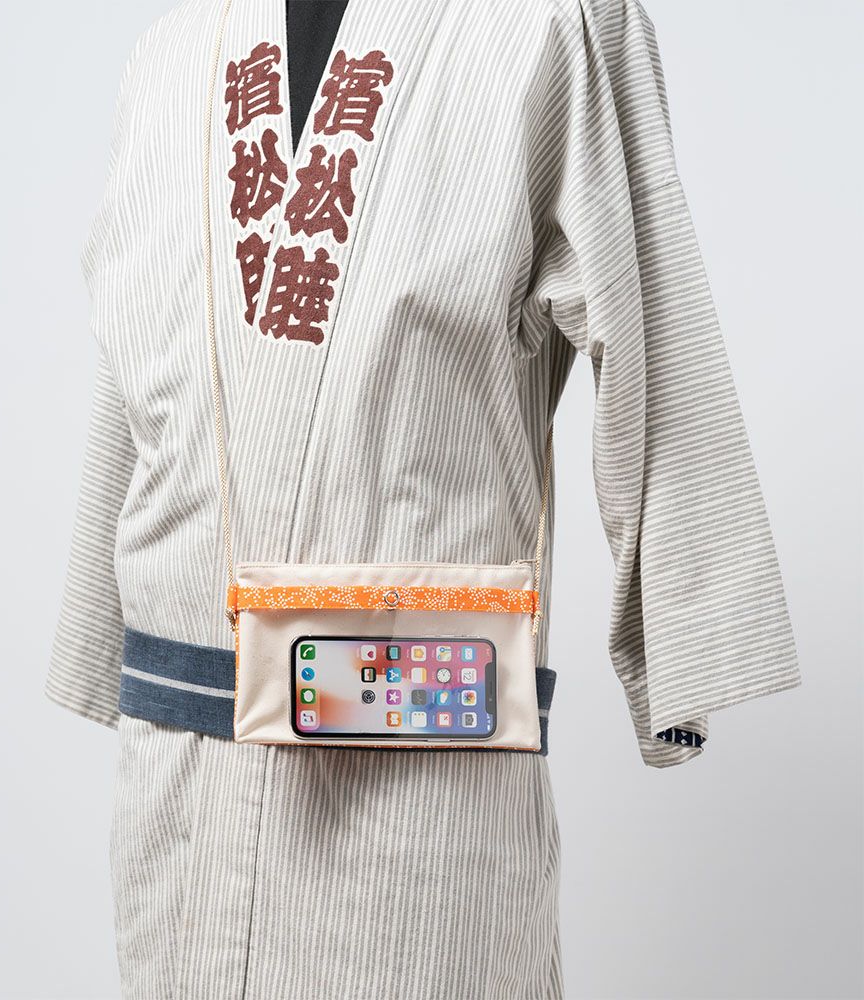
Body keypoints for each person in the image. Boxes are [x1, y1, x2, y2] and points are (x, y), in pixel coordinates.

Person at [47, 1, 801, 996]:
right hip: (181, 782)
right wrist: (99, 637)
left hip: (421, 786)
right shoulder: (170, 56)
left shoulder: (547, 28)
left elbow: (648, 322)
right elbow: (140, 375)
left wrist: (686, 638)